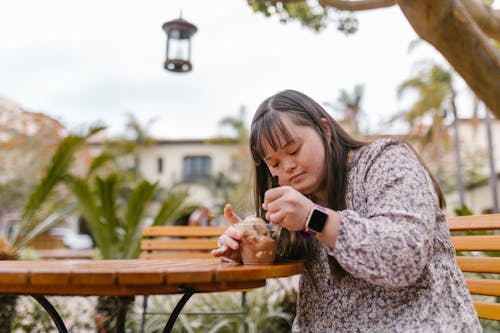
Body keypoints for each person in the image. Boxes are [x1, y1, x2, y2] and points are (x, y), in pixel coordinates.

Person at [211, 89, 481, 332]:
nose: (287, 167)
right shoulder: (301, 199)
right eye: (274, 163)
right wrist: (250, 245)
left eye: (294, 150)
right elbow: (283, 252)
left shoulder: (385, 160)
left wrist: (314, 218)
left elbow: (404, 256)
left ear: (325, 130)